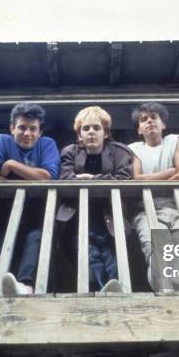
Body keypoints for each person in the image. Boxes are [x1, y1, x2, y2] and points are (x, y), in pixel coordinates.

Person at [0, 103, 60, 295]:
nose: (27, 133)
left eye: (33, 129)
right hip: (4, 210)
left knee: (36, 237)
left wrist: (11, 165)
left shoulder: (47, 144)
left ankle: (26, 286)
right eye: (22, 127)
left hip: (37, 211)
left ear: (40, 132)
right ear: (12, 128)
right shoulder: (2, 141)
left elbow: (49, 176)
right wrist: (32, 174)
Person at [56, 106, 133, 293]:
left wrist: (93, 179)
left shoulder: (119, 151)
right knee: (86, 254)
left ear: (106, 133)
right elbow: (65, 178)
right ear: (79, 135)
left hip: (108, 216)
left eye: (97, 128)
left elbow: (125, 177)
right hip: (75, 216)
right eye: (86, 128)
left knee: (109, 254)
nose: (91, 132)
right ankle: (99, 290)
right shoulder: (70, 152)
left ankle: (115, 290)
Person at [127, 102, 179, 290]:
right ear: (139, 129)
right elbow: (137, 179)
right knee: (158, 252)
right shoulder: (134, 149)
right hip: (148, 211)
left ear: (163, 124)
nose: (149, 121)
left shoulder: (173, 141)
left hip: (178, 208)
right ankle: (166, 293)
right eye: (143, 119)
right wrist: (169, 172)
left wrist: (153, 180)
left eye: (154, 117)